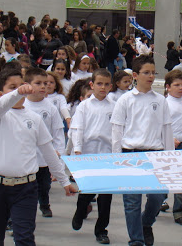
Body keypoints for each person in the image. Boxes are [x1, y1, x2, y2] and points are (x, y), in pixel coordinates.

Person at [0, 68, 77, 245]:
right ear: (0, 93)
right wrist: (16, 93)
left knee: (25, 237)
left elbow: (48, 152)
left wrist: (65, 181)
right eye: (12, 87)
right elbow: (0, 106)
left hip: (25, 188)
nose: (20, 90)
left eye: (22, 85)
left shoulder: (34, 118)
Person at [111, 55, 174, 246]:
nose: (151, 76)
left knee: (157, 197)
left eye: (153, 73)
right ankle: (136, 240)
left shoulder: (161, 101)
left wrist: (170, 158)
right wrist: (116, 159)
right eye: (146, 73)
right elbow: (117, 129)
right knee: (132, 203)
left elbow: (166, 129)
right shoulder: (125, 100)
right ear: (136, 75)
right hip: (131, 154)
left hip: (155, 155)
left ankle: (146, 223)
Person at [71, 68, 114, 244]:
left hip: (107, 155)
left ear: (111, 86)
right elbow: (78, 128)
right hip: (89, 153)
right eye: (99, 84)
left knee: (105, 197)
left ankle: (101, 230)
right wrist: (78, 149)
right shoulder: (84, 106)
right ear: (92, 85)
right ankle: (80, 211)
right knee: (87, 192)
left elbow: (119, 130)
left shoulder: (115, 106)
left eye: (106, 84)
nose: (102, 87)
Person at [23, 68, 65, 218]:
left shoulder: (51, 108)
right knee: (27, 189)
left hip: (45, 158)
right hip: (26, 158)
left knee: (44, 185)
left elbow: (58, 132)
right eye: (38, 83)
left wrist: (58, 153)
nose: (43, 86)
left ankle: (45, 204)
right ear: (27, 84)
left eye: (45, 83)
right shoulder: (22, 105)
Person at [164, 70, 182, 226]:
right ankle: (159, 200)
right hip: (168, 144)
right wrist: (169, 139)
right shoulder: (164, 104)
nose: (181, 88)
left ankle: (180, 211)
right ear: (168, 87)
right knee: (164, 176)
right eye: (177, 85)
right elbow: (159, 125)